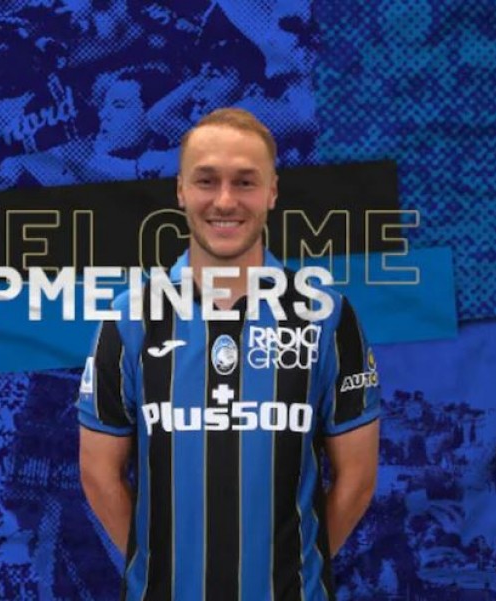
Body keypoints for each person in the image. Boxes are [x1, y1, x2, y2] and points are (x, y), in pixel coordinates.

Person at [77, 107, 381, 600]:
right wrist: (161, 572)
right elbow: (98, 473)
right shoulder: (130, 317)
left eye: (245, 182)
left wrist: (293, 571)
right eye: (206, 181)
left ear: (272, 192)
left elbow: (358, 479)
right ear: (180, 190)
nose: (224, 200)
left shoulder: (326, 315)